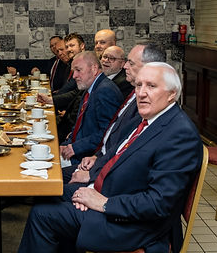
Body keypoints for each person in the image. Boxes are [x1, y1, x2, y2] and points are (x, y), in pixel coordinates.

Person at [0, 62, 202, 253]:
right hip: (116, 198)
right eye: (139, 85)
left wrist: (102, 202)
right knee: (50, 194)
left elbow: (159, 204)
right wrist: (92, 185)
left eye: (151, 86)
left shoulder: (178, 133)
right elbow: (117, 159)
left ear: (172, 94)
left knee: (44, 216)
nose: (141, 93)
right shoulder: (153, 120)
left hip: (138, 226)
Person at [67, 43, 166, 189]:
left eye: (130, 63)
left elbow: (128, 156)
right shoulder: (134, 97)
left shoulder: (150, 109)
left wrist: (93, 177)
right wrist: (96, 158)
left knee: (44, 203)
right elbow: (115, 139)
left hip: (110, 180)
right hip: (100, 162)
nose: (125, 66)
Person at [58, 51, 122, 165]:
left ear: (93, 68)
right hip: (76, 151)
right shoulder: (91, 87)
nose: (74, 76)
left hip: (87, 159)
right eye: (73, 71)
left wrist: (75, 148)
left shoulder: (105, 91)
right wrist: (66, 144)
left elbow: (108, 133)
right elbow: (80, 125)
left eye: (78, 70)